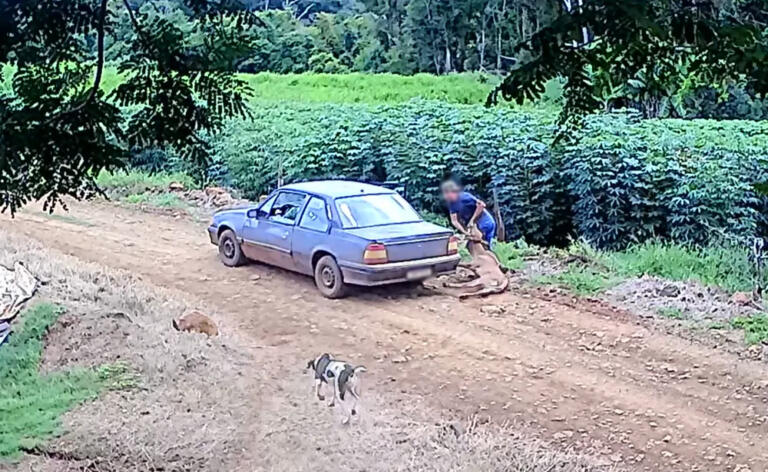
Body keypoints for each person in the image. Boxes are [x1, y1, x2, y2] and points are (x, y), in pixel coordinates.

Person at [441, 180, 496, 247]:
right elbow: (454, 221)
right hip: (474, 225)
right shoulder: (452, 204)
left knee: (482, 244)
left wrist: (472, 220)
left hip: (484, 221)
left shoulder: (465, 197)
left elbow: (482, 205)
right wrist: (464, 232)